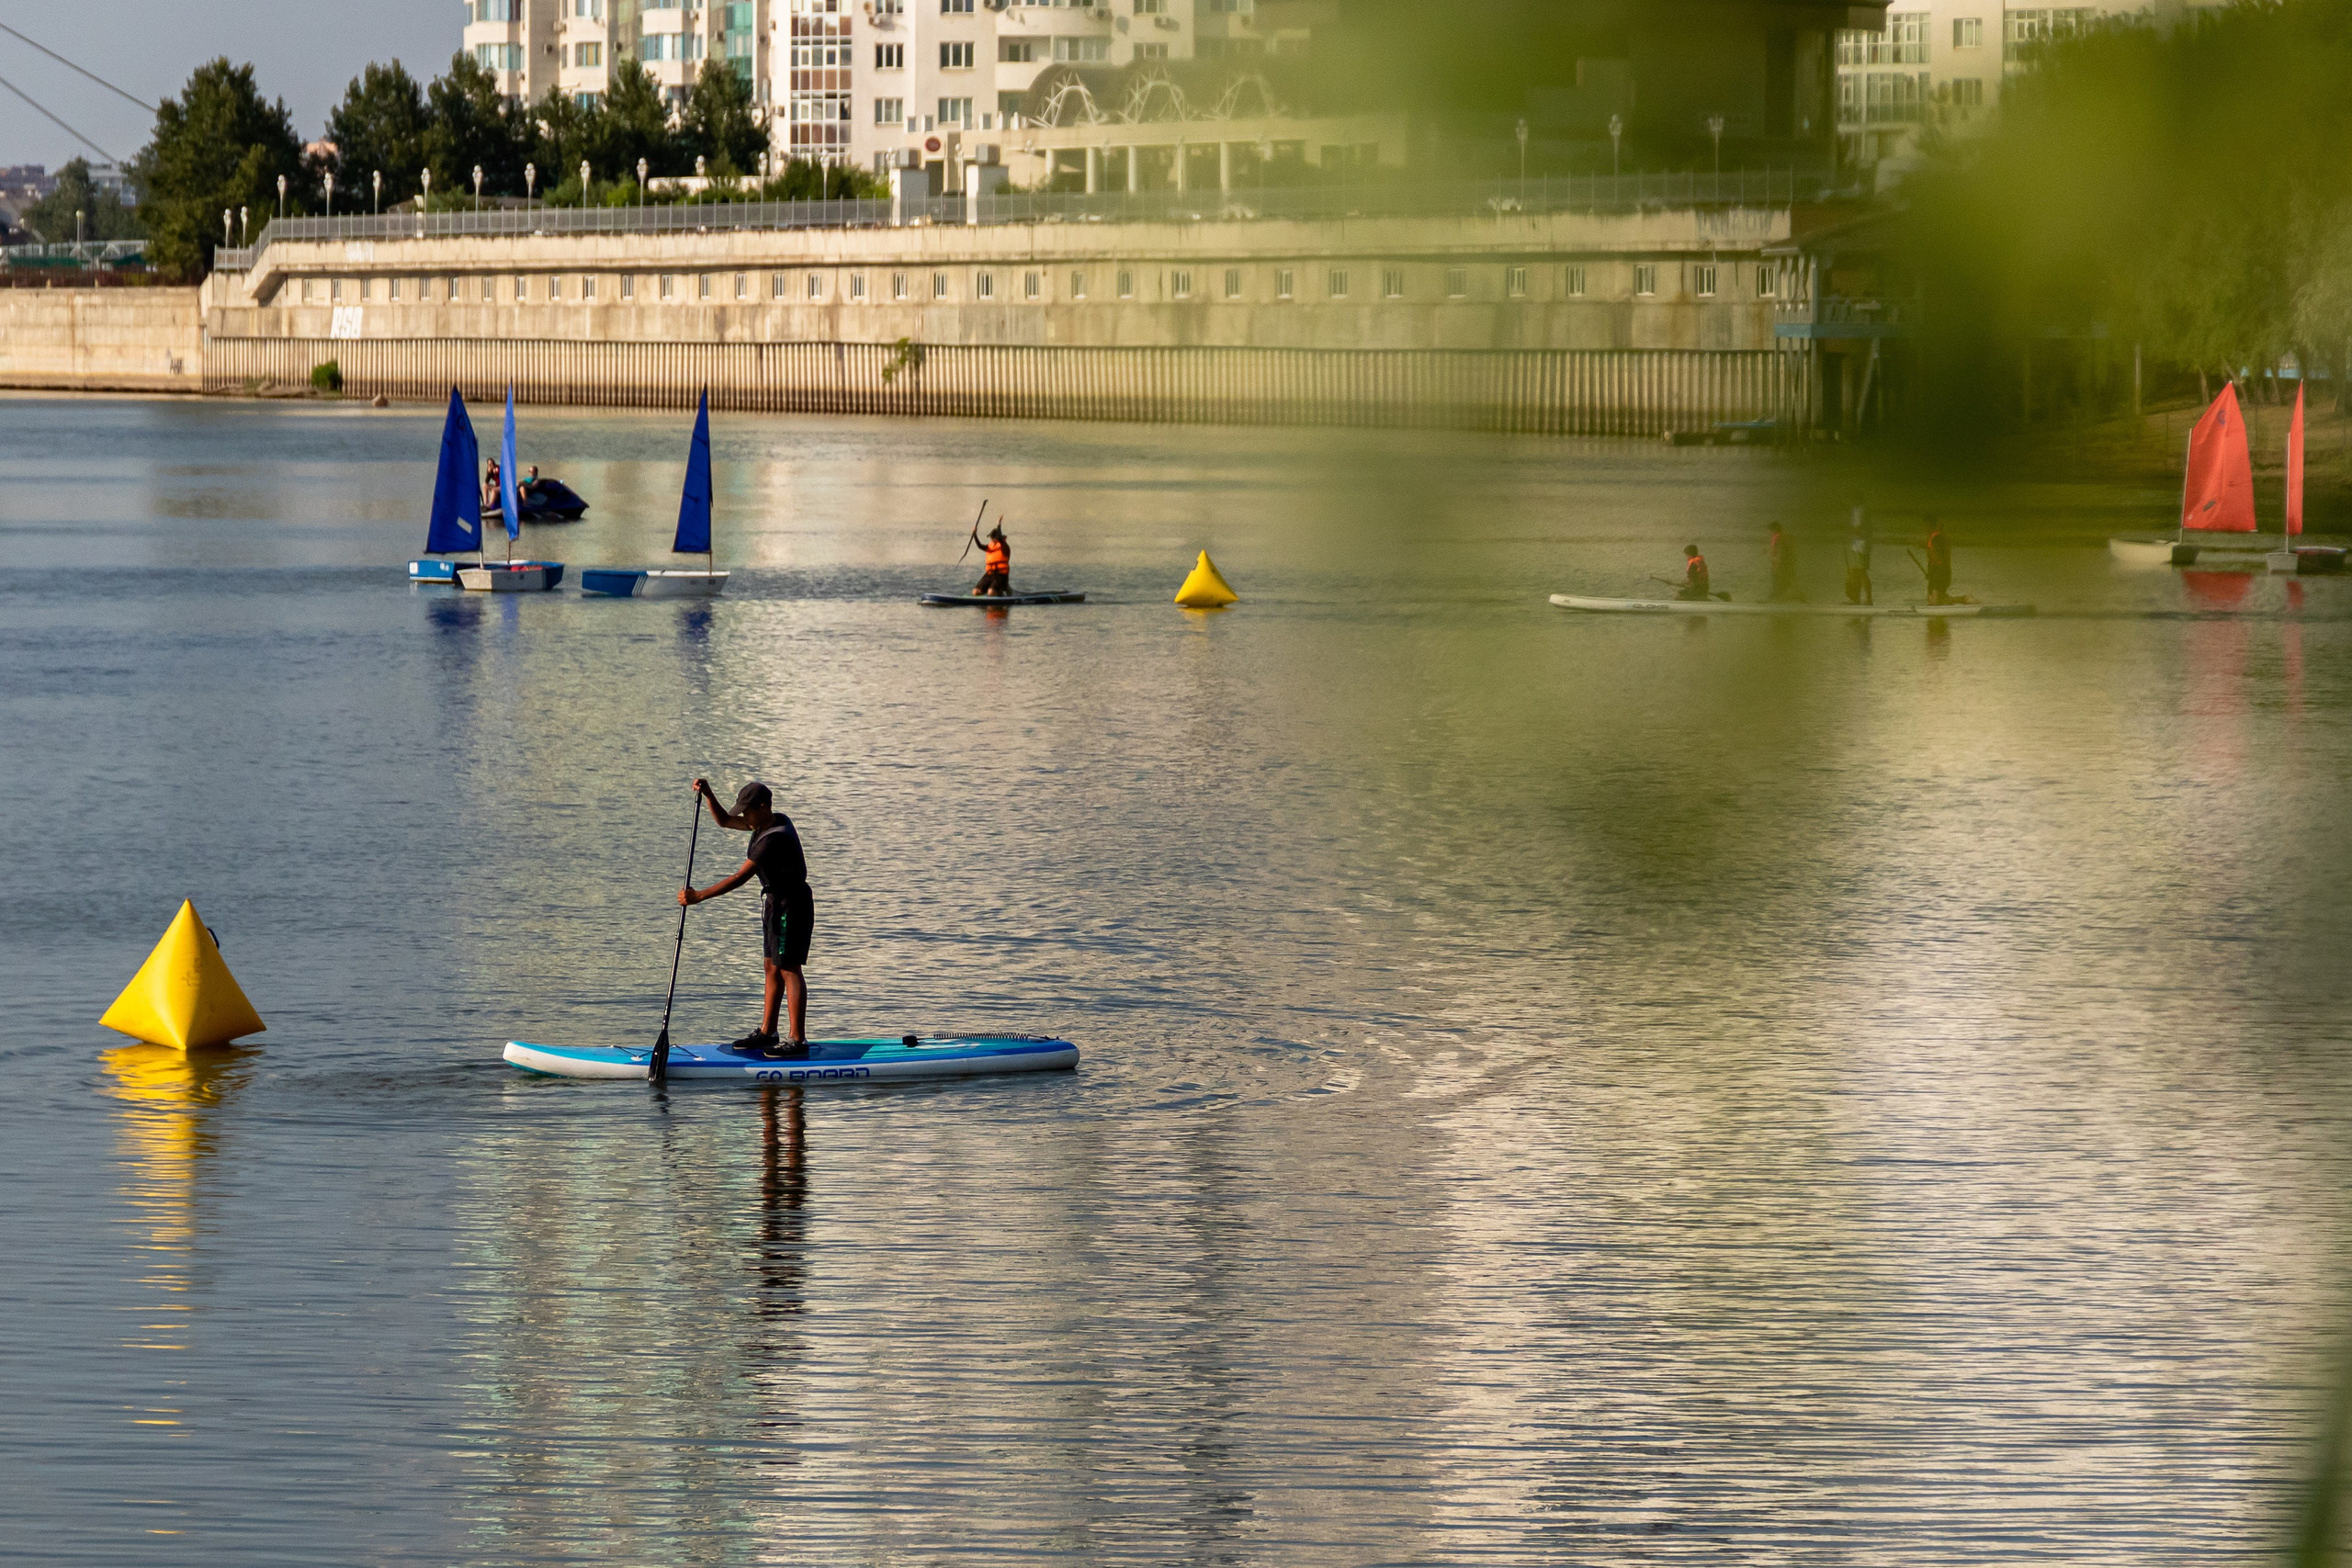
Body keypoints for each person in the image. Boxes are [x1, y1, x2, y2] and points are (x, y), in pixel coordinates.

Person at [679, 779, 813, 1055]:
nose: (743, 817)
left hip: (792, 905)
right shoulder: (764, 822)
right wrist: (708, 794)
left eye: (747, 811)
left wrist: (699, 897)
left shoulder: (774, 838)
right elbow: (725, 821)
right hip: (775, 903)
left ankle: (797, 1040)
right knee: (771, 967)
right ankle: (768, 1032)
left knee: (789, 968)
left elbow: (739, 877)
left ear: (763, 808)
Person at [1843, 507, 1874, 606]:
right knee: (1854, 572)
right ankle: (1856, 599)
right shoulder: (1858, 510)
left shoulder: (1859, 511)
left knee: (1861, 572)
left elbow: (1858, 529)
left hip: (1861, 546)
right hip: (1857, 546)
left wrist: (1846, 530)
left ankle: (1869, 600)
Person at [1922, 513, 1953, 604]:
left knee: (1936, 603)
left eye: (1925, 525)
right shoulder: (1932, 538)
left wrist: (1934, 571)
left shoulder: (1938, 537)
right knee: (1930, 603)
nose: (1924, 528)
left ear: (1929, 525)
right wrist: (1931, 572)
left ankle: (1964, 599)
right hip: (1934, 574)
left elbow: (1941, 558)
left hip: (1941, 574)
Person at [1768, 521, 1802, 602]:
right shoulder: (1780, 537)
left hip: (1782, 564)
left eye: (1772, 530)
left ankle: (1774, 599)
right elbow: (1778, 551)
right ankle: (1774, 598)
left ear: (1775, 529)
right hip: (1783, 563)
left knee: (1781, 581)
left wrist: (1777, 562)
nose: (1770, 532)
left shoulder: (1780, 538)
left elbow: (1780, 551)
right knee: (1785, 581)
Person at [974, 525, 1012, 596]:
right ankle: (999, 590)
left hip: (1001, 575)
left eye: (992, 537)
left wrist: (999, 525)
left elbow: (1000, 538)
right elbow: (980, 546)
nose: (990, 539)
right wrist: (975, 534)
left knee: (991, 593)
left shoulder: (1004, 547)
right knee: (976, 592)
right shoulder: (990, 546)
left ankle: (1002, 590)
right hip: (990, 573)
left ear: (996, 538)